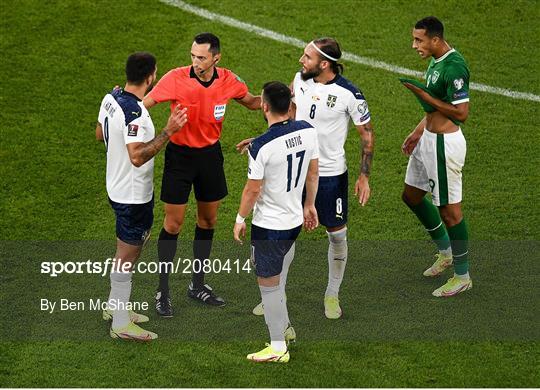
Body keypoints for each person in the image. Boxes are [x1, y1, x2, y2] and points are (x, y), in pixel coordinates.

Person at [241, 37, 375, 319]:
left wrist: (364, 175)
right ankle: (274, 294)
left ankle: (332, 294)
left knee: (337, 236)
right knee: (285, 235)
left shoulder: (350, 94)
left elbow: (366, 134)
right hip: (297, 171)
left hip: (330, 176)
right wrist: (264, 140)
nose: (301, 61)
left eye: (307, 57)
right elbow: (286, 116)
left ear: (324, 64)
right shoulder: (299, 80)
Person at [144, 33, 261, 316]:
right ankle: (163, 290)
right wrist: (120, 102)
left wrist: (288, 95)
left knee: (207, 221)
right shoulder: (175, 78)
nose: (195, 62)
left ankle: (197, 284)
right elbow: (144, 104)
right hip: (180, 158)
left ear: (216, 58)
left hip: (209, 157)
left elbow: (254, 102)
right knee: (173, 224)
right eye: (193, 56)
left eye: (201, 57)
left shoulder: (228, 80)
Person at [96, 52, 187, 340]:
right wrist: (168, 131)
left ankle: (115, 306)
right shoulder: (134, 111)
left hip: (116, 187)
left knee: (124, 252)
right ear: (151, 77)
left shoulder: (111, 97)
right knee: (128, 256)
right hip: (132, 196)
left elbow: (100, 134)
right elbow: (137, 156)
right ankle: (121, 324)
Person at [233, 81, 319, 363]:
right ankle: (286, 327)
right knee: (278, 275)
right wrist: (309, 205)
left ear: (264, 106)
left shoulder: (261, 147)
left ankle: (277, 347)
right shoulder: (307, 130)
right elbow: (313, 173)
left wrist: (240, 218)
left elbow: (252, 190)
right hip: (294, 219)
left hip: (270, 226)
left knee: (268, 283)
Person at [400, 16, 472, 296]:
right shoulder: (435, 60)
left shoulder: (454, 67)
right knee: (411, 196)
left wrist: (423, 96)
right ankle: (446, 252)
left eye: (419, 40)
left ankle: (463, 276)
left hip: (444, 144)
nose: (414, 45)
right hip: (428, 139)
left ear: (435, 40)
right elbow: (437, 106)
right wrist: (418, 130)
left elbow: (461, 113)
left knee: (450, 212)